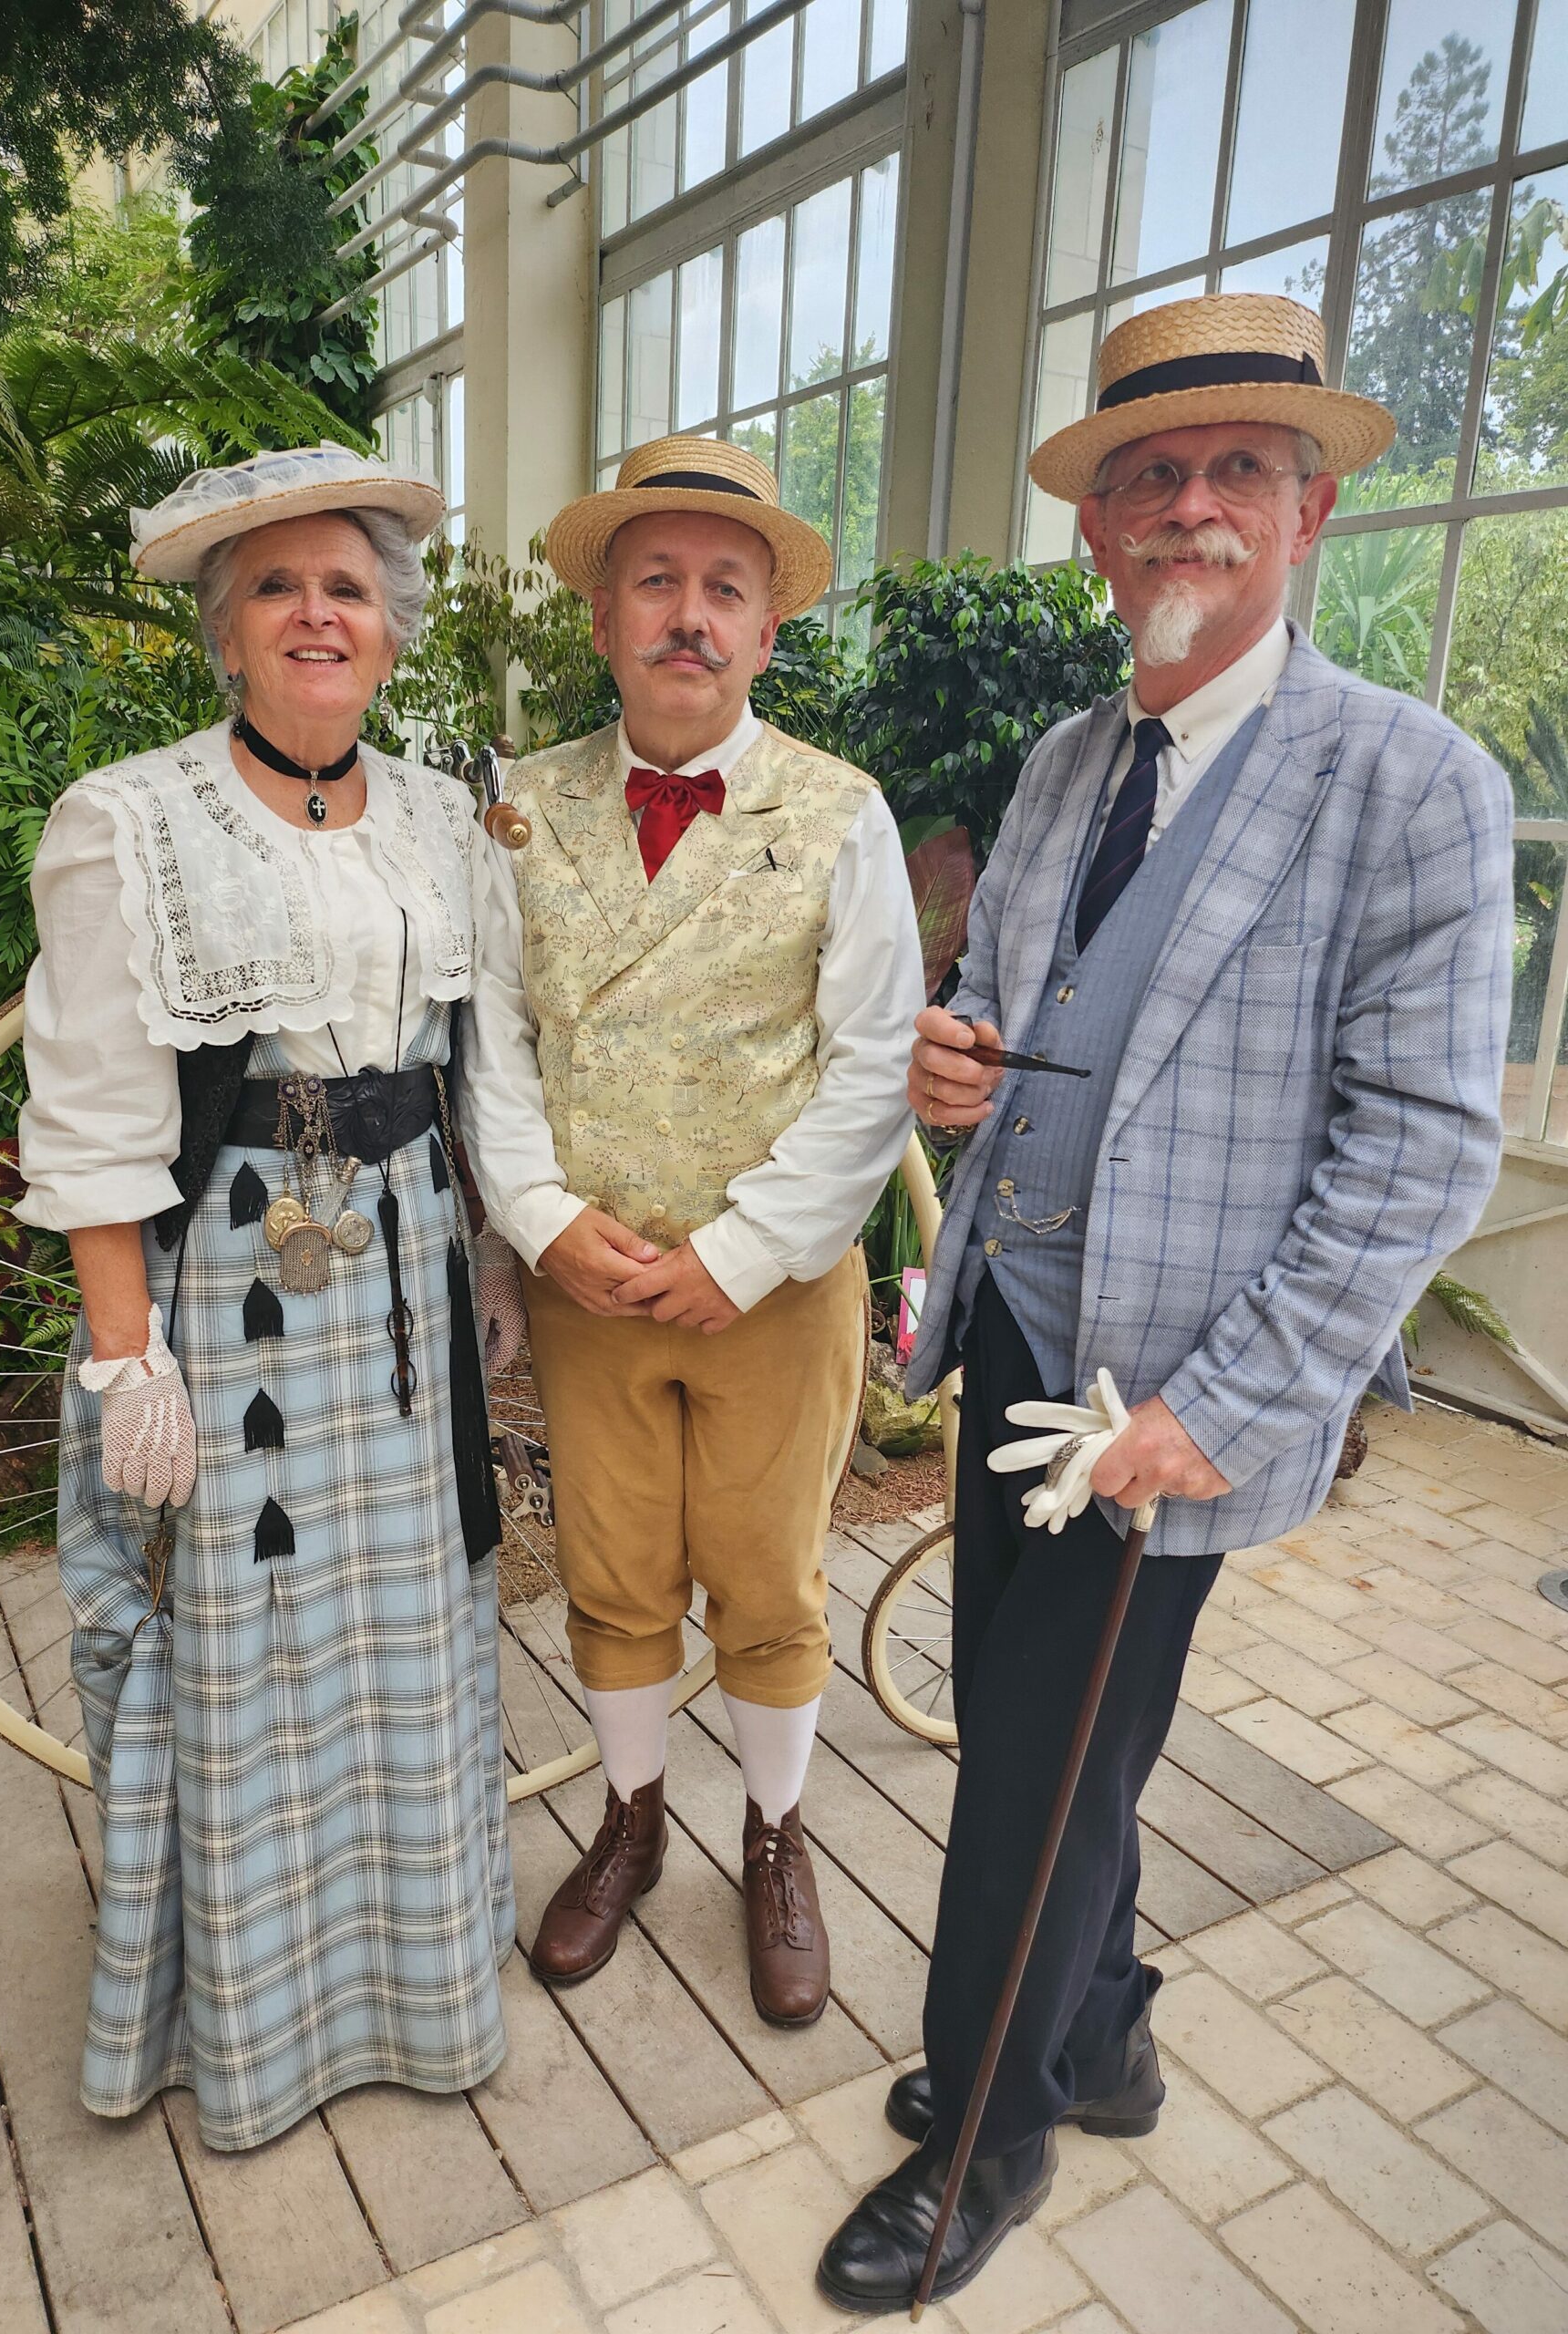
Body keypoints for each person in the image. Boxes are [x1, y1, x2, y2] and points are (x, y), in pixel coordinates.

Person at [817, 294, 1513, 2310]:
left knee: (1033, 1771)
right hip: (1018, 1331)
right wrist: (955, 1052)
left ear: (1308, 513)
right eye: (1150, 474)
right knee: (1045, 1732)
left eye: (1236, 471)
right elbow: (1010, 995)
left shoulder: (1413, 784)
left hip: (1171, 1388)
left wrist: (1226, 1407)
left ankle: (987, 2130)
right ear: (1101, 526)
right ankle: (1101, 2030)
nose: (1190, 506)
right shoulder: (1064, 760)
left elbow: (1420, 1147)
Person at [15, 443, 521, 2153]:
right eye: (280, 589)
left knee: (410, 1642)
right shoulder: (131, 821)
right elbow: (92, 1118)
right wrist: (126, 1362)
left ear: (392, 631)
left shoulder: (443, 819)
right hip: (231, 1289)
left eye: (349, 589)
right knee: (248, 1649)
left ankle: (419, 1993)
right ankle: (253, 2032)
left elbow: (478, 1069)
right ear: (225, 633)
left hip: (408, 1294)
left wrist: (494, 1259)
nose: (318, 615)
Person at [459, 435, 923, 2025]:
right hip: (588, 1281)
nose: (689, 615)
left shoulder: (842, 813)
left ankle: (776, 1835)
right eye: (655, 580)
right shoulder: (518, 812)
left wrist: (741, 1253)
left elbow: (875, 1065)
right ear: (602, 617)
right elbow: (493, 1039)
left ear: (766, 631)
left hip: (771, 1289)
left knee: (769, 1577)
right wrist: (538, 1219)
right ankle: (632, 1816)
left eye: (725, 588)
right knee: (613, 1569)